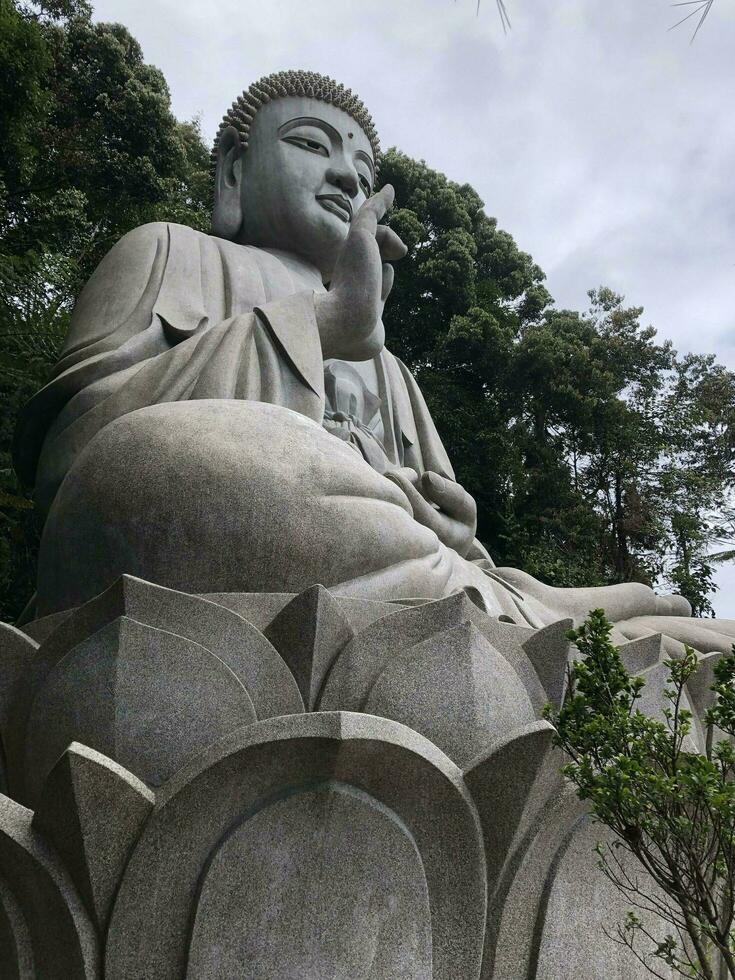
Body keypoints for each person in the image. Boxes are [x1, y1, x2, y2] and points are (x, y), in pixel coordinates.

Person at [15, 70, 735, 653]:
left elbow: (433, 528)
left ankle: (541, 620)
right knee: (146, 466)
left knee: (463, 572)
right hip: (220, 541)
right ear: (235, 171)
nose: (345, 181)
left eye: (361, 171)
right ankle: (551, 631)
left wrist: (455, 524)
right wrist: (325, 324)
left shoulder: (391, 366)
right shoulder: (171, 251)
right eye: (310, 145)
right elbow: (74, 458)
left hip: (381, 559)